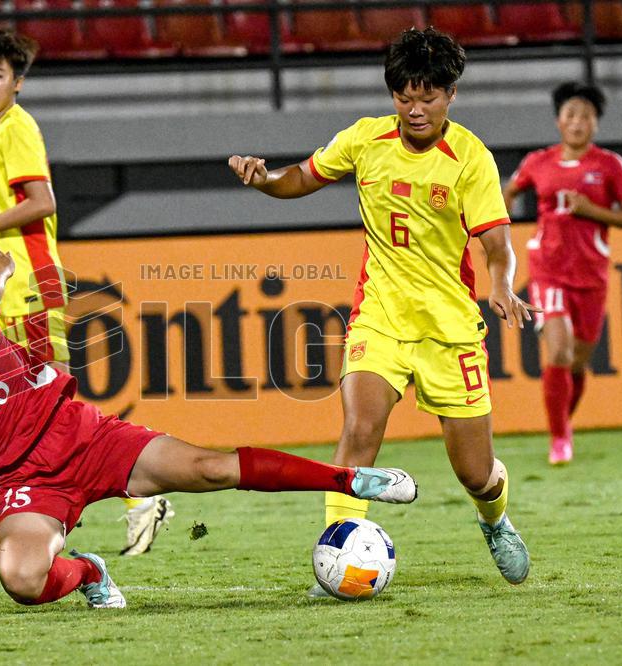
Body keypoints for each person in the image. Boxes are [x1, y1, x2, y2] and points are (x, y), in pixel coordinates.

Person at [0, 244, 419, 609]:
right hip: (28, 481)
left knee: (211, 468)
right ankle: (91, 570)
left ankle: (351, 480)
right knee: (22, 581)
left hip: (87, 436)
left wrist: (0, 270)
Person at [228, 27, 536, 591]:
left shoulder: (471, 159)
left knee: (475, 473)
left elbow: (497, 243)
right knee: (360, 428)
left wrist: (502, 284)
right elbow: (301, 176)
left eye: (428, 97)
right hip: (380, 318)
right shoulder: (366, 139)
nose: (415, 110)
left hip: (449, 330)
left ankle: (494, 519)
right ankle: (337, 553)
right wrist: (263, 179)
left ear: (451, 94)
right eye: (403, 97)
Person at [0, 29, 174, 552]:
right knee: (22, 400)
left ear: (17, 82)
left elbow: (43, 202)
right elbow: (14, 214)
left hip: (32, 284)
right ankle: (30, 495)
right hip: (11, 284)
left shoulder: (17, 128)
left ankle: (138, 497)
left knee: (50, 402)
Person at [503, 82, 622, 466]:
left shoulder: (610, 165)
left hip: (591, 273)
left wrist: (592, 211)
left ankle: (562, 422)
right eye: (571, 115)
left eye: (586, 116)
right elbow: (508, 193)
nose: (578, 122)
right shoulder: (538, 162)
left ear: (595, 123)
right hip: (548, 268)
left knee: (578, 360)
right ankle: (560, 439)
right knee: (559, 350)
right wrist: (497, 229)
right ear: (558, 121)